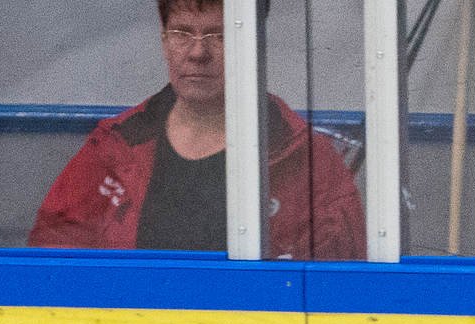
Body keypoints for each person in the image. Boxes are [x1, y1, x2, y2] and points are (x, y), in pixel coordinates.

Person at [28, 0, 365, 259]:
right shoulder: (115, 146)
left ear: (253, 44)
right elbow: (49, 264)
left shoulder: (306, 160)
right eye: (182, 33)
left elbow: (342, 298)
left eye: (219, 35)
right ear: (163, 40)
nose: (197, 53)